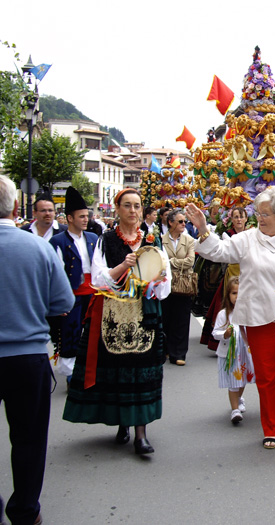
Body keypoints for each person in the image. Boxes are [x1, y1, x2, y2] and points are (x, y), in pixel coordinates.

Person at [185, 187, 275, 450]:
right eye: (258, 213)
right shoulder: (248, 238)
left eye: (266, 214)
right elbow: (216, 251)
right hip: (259, 315)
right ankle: (272, 427)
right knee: (267, 374)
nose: (260, 218)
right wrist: (204, 227)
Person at [63, 188, 171, 456]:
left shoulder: (153, 240)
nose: (133, 211)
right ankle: (122, 423)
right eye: (127, 206)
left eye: (137, 206)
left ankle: (141, 434)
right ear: (117, 209)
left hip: (145, 312)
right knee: (119, 370)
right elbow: (98, 280)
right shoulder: (106, 240)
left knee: (143, 371)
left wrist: (157, 281)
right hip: (114, 312)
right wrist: (124, 265)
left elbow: (165, 282)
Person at [0, 175, 74, 525]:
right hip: (27, 356)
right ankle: (25, 509)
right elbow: (63, 301)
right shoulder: (39, 248)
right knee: (28, 438)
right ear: (17, 208)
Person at [48, 187, 99, 385]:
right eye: (81, 216)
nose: (86, 220)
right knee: (71, 334)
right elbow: (57, 274)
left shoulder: (93, 238)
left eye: (87, 216)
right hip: (72, 295)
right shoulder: (58, 241)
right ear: (70, 218)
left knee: (91, 335)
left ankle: (90, 372)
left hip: (93, 293)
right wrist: (59, 301)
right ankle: (71, 375)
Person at [200, 206, 249, 351]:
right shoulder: (227, 234)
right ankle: (224, 335)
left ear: (246, 218)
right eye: (236, 217)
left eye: (241, 216)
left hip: (247, 272)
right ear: (231, 220)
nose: (239, 219)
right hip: (233, 272)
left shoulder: (252, 233)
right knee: (228, 301)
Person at [212, 276, 255, 424]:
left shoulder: (250, 313)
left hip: (245, 354)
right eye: (234, 293)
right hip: (231, 355)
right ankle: (235, 409)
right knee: (233, 382)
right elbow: (215, 333)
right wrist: (224, 334)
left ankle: (238, 398)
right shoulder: (223, 314)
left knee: (242, 380)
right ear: (228, 295)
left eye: (240, 294)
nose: (237, 297)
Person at [161, 209, 196, 366]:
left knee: (182, 318)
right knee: (166, 316)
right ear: (171, 222)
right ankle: (166, 348)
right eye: (180, 221)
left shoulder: (189, 240)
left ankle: (179, 353)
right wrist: (175, 262)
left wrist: (170, 262)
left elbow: (190, 261)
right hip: (166, 283)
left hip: (184, 283)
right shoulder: (160, 240)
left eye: (185, 222)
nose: (184, 224)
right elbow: (159, 260)